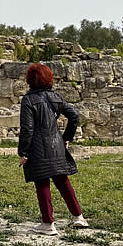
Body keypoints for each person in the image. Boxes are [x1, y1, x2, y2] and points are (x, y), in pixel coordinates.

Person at [17, 64, 87, 235]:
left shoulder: (28, 100)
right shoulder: (55, 97)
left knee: (42, 182)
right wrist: (66, 138)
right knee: (63, 181)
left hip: (38, 147)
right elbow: (74, 116)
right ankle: (78, 217)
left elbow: (28, 129)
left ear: (30, 79)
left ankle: (48, 223)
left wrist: (23, 152)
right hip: (57, 145)